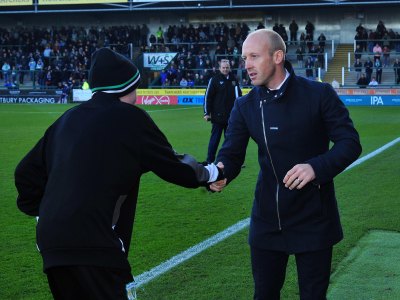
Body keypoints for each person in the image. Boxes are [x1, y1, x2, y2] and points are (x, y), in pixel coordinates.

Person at [15, 48, 225, 300]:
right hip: (96, 241)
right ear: (128, 86)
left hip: (52, 244)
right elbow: (171, 164)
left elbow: (25, 174)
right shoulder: (130, 118)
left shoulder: (66, 120)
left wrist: (46, 210)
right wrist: (211, 173)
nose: (137, 96)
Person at [211, 29, 362, 299]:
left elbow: (349, 143)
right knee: (265, 294)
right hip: (267, 219)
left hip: (314, 218)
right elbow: (231, 154)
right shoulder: (244, 106)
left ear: (278, 56)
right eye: (244, 57)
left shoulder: (319, 94)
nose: (246, 65)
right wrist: (221, 172)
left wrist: (315, 167)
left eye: (254, 56)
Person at [203, 58, 242, 164]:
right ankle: (210, 160)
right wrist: (206, 113)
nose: (225, 69)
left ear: (230, 68)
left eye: (227, 67)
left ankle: (231, 160)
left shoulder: (234, 79)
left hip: (231, 117)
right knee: (214, 141)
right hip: (217, 117)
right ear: (220, 68)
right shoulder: (214, 80)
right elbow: (208, 97)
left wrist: (240, 112)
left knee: (230, 141)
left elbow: (239, 96)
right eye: (223, 67)